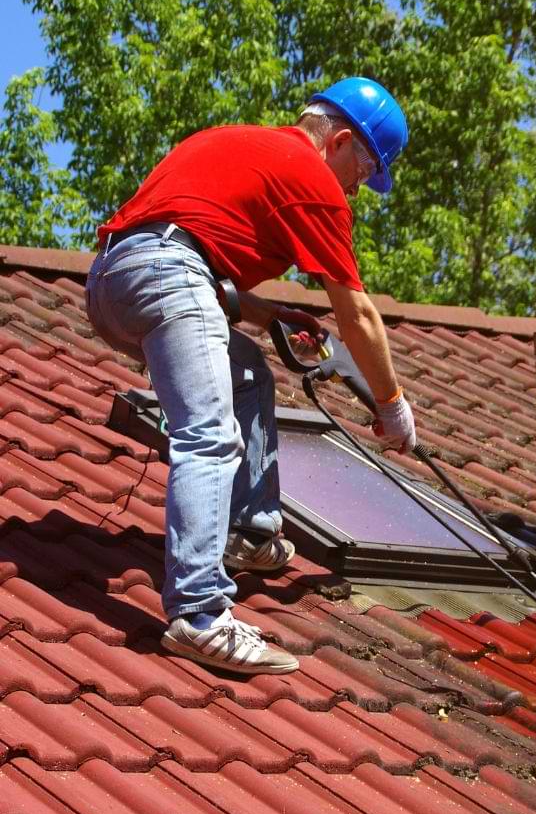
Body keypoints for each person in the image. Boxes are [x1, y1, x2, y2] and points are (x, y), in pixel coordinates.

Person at [87, 77, 416, 676]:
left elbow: (176, 255)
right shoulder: (314, 178)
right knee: (208, 434)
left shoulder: (237, 141)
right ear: (341, 141)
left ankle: (251, 533)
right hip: (169, 274)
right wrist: (391, 404)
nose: (357, 190)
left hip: (111, 282)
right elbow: (357, 311)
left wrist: (270, 315)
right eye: (363, 173)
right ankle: (200, 615)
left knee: (246, 373)